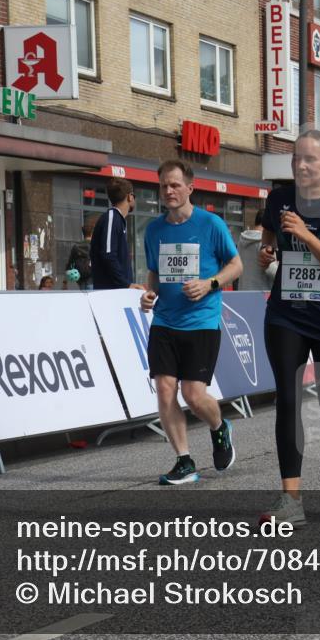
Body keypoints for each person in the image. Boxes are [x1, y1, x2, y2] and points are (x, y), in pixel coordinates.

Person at [257, 130, 320, 527]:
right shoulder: (279, 199)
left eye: (310, 160)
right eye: (296, 158)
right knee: (288, 399)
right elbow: (269, 236)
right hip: (287, 314)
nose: (301, 165)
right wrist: (268, 250)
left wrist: (304, 235)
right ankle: (291, 499)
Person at [139, 160, 243, 485]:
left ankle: (219, 427)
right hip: (165, 322)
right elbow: (155, 272)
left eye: (174, 185)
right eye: (163, 186)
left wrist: (210, 283)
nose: (168, 191)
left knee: (194, 395)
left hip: (201, 321)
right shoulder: (154, 230)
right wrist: (149, 293)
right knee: (165, 390)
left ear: (189, 187)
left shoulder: (210, 224)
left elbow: (236, 265)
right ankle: (184, 461)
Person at [91, 177, 144, 291]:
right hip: (110, 293)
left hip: (117, 291)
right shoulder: (112, 217)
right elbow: (108, 254)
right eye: (134, 196)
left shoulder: (117, 219)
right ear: (130, 197)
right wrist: (126, 284)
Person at [237, 210, 277, 291]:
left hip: (243, 293)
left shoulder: (241, 240)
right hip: (262, 296)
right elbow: (273, 272)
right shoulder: (266, 243)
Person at [65, 223, 93, 290]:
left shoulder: (76, 246)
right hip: (92, 276)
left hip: (80, 277)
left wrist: (65, 280)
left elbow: (70, 263)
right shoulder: (95, 245)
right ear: (92, 233)